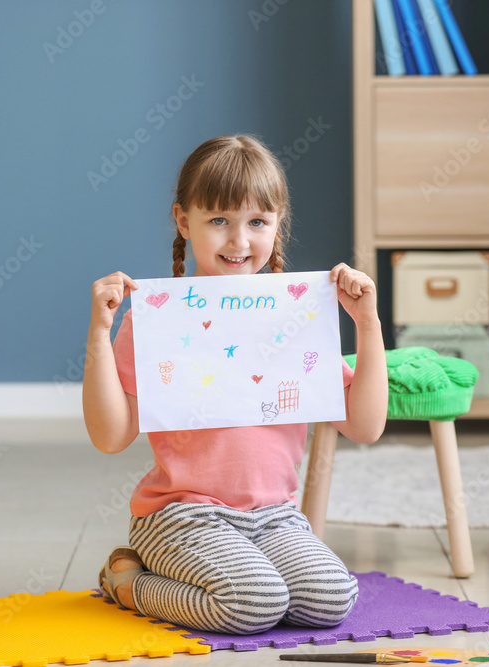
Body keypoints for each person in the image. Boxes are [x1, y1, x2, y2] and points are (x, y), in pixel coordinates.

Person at [83, 135, 388, 635]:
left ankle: (244, 573)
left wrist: (368, 324)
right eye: (219, 220)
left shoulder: (295, 318)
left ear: (277, 225)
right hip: (180, 514)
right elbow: (110, 436)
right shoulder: (158, 318)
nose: (239, 241)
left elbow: (364, 425)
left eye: (257, 223)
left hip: (274, 516)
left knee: (331, 599)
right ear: (185, 222)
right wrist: (100, 332)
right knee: (251, 605)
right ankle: (127, 581)